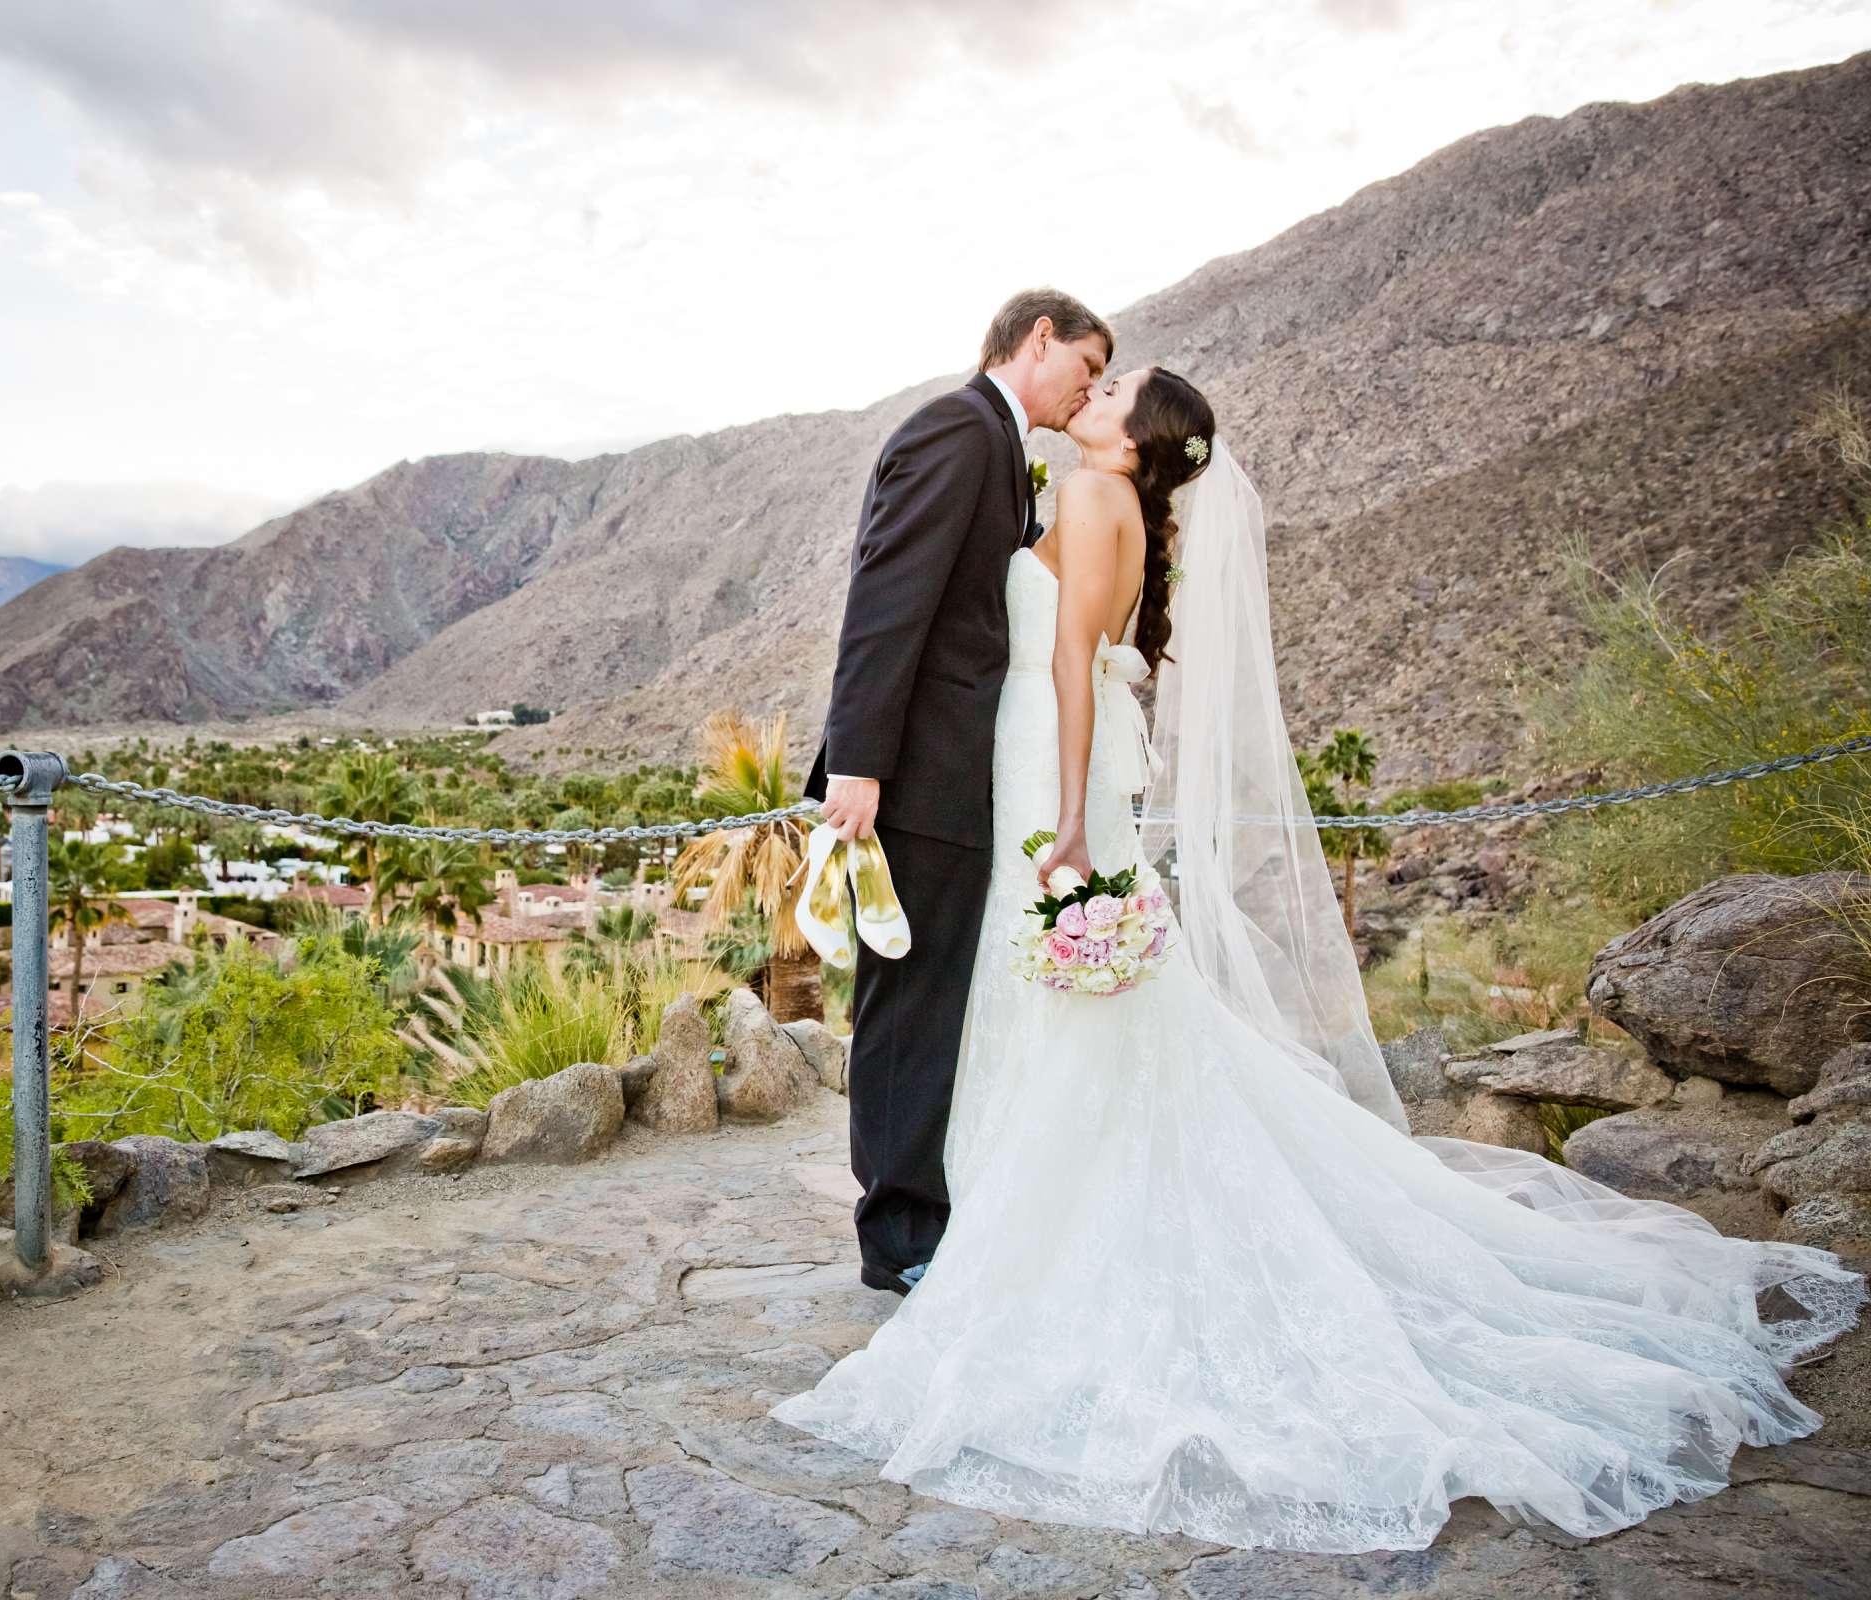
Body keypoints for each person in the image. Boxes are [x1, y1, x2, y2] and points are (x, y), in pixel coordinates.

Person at [775, 364, 1865, 1552]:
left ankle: (1039, 1242)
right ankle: (1014, 1222)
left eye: (1116, 386)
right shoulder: (1110, 502)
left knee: (1064, 1008)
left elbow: (1073, 663)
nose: (1099, 387)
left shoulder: (1095, 502)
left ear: (1139, 440)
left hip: (1056, 771)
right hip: (1048, 766)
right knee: (1073, 1010)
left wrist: (1077, 821)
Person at [806, 288, 1111, 1294]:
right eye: (1087, 367)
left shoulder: (1003, 446)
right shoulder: (956, 431)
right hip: (913, 774)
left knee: (938, 998)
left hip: (960, 772)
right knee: (909, 1001)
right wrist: (859, 763)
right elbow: (888, 597)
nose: (1089, 390)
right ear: (1038, 340)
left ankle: (926, 1208)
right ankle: (895, 1237)